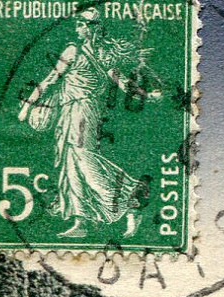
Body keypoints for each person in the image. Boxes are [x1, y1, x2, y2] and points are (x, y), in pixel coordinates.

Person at [17, 9, 157, 240]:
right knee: (68, 163)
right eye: (78, 24)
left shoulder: (101, 55)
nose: (77, 28)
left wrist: (144, 94)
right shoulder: (74, 50)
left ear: (93, 27)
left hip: (85, 111)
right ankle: (81, 219)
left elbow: (120, 81)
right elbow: (52, 78)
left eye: (81, 24)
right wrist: (28, 105)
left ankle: (131, 199)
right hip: (68, 111)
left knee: (83, 158)